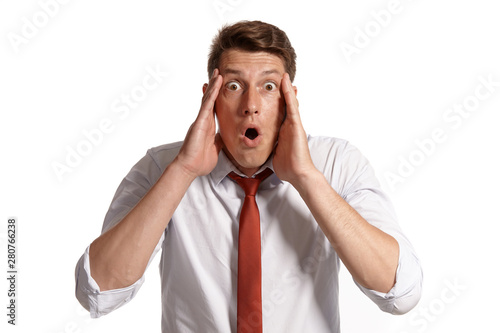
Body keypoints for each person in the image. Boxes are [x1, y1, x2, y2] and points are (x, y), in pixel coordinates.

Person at [75, 20, 422, 332]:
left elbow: (401, 292)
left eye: (269, 87)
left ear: (290, 101)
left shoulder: (337, 163)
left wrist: (305, 177)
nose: (251, 105)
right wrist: (182, 171)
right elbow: (97, 292)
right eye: (234, 86)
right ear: (210, 98)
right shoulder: (162, 167)